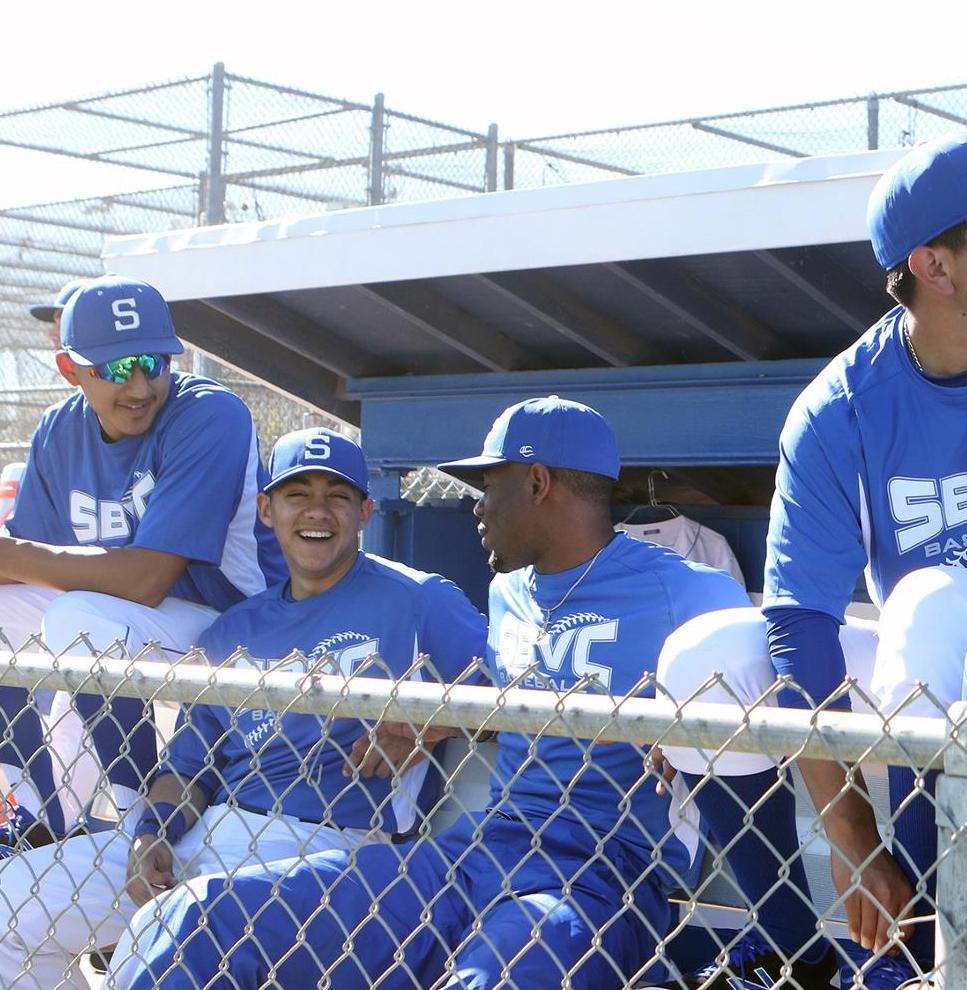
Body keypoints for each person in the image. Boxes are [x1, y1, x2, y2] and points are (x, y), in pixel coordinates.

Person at [113, 396, 751, 990]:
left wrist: (700, 724)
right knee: (202, 916)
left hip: (605, 872)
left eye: (487, 486)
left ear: (537, 483)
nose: (475, 505)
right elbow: (501, 693)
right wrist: (441, 719)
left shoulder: (687, 590)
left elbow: (771, 684)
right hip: (481, 849)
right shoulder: (508, 594)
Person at [654, 131, 967, 986]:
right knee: (702, 660)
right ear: (934, 264)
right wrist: (852, 837)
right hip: (928, 681)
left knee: (930, 603)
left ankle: (947, 941)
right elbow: (800, 625)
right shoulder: (842, 408)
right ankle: (795, 953)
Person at [0, 427, 486, 990]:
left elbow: (525, 692)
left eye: (337, 495)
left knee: (158, 933)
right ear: (266, 509)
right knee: (10, 901)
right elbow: (188, 768)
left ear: (364, 511)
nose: (318, 511)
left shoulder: (420, 598)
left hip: (331, 840)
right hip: (205, 831)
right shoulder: (235, 628)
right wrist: (151, 834)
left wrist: (428, 723)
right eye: (297, 494)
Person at [0, 275, 285, 846]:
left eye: (151, 362)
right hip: (130, 623)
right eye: (113, 368)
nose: (137, 385)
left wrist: (14, 553)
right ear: (69, 369)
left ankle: (138, 818)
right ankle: (27, 813)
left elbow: (148, 578)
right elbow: (19, 573)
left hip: (243, 625)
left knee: (76, 618)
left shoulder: (210, 414)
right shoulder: (59, 430)